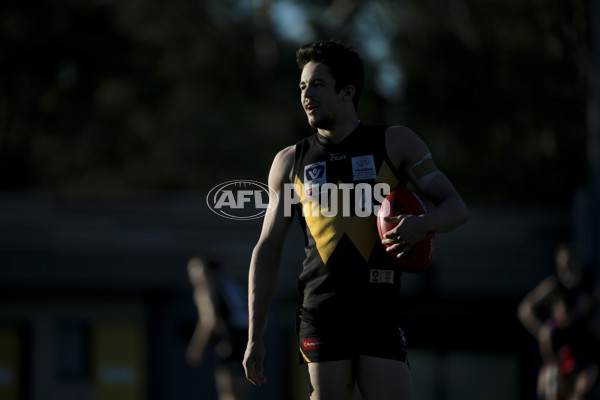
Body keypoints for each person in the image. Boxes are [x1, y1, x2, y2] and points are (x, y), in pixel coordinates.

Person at [242, 40, 469, 400]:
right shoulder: (289, 162)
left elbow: (456, 208)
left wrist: (422, 224)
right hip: (321, 311)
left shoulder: (395, 143)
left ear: (347, 92)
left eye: (316, 85)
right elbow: (268, 249)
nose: (305, 95)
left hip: (378, 311)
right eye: (302, 86)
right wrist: (255, 335)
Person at [518, 244, 600, 400]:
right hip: (558, 355)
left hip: (584, 352)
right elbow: (525, 309)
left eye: (572, 263)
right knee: (553, 391)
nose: (568, 269)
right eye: (564, 266)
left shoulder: (590, 285)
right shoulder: (554, 287)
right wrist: (541, 329)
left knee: (582, 391)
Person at [187, 256, 251, 400]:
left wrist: (197, 346)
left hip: (230, 337)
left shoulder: (206, 288)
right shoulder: (232, 284)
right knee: (241, 389)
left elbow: (210, 319)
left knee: (227, 391)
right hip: (249, 336)